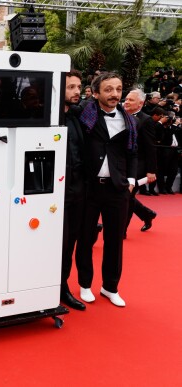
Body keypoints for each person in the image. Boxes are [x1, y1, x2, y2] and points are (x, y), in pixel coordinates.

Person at [75, 72, 137, 308]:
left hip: (117, 189)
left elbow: (132, 152)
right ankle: (84, 284)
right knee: (86, 239)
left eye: (118, 89)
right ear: (97, 92)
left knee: (114, 241)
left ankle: (110, 287)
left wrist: (131, 180)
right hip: (90, 188)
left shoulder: (128, 120)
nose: (114, 94)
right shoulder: (85, 114)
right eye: (109, 89)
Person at [60, 70, 86, 311]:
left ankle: (62, 287)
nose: (77, 91)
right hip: (53, 193)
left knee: (70, 244)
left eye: (79, 87)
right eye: (71, 87)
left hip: (78, 192)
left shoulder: (79, 116)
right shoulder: (46, 116)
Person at [122, 89, 158, 235]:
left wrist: (151, 170)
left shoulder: (146, 120)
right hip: (121, 163)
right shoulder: (120, 115)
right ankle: (147, 214)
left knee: (127, 197)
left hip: (138, 165)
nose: (126, 102)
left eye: (131, 100)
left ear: (140, 103)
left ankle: (121, 230)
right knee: (125, 195)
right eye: (126, 99)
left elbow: (150, 147)